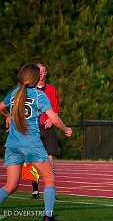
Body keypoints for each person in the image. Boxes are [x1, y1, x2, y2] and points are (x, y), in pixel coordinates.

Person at [0, 63, 72, 221]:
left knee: (10, 186)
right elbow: (53, 118)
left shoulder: (14, 93)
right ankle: (48, 216)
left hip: (12, 145)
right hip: (32, 144)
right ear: (35, 77)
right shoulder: (39, 96)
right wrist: (66, 129)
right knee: (50, 179)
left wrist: (7, 115)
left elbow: (1, 107)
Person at [30, 62, 61, 199]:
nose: (41, 74)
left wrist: (51, 119)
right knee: (35, 160)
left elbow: (55, 108)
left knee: (50, 159)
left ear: (46, 73)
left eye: (43, 72)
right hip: (35, 129)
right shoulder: (29, 90)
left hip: (48, 128)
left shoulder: (52, 89)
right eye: (39, 72)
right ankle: (35, 189)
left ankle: (51, 189)